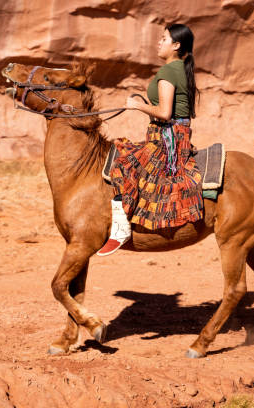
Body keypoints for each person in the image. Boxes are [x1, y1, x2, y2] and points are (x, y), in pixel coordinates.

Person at [97, 23, 203, 256]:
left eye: (164, 38)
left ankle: (121, 229)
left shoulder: (168, 71)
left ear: (176, 45)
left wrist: (138, 105)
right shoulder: (179, 69)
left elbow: (165, 113)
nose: (159, 42)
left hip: (167, 140)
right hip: (174, 136)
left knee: (123, 165)